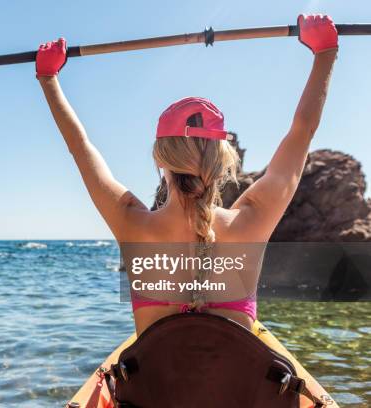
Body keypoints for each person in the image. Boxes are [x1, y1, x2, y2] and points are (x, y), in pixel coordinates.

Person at [36, 14, 338, 336]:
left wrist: (48, 77)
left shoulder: (131, 221)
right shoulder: (252, 220)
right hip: (232, 387)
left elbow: (80, 148)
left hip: (156, 386)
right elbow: (302, 132)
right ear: (223, 162)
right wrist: (325, 52)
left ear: (161, 159)